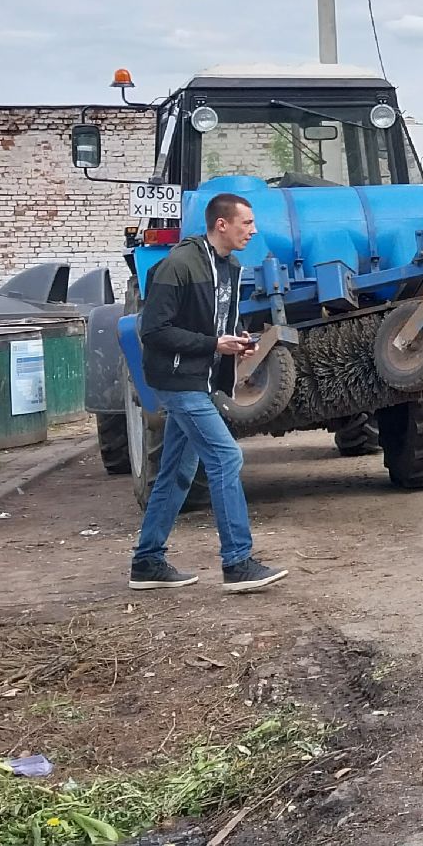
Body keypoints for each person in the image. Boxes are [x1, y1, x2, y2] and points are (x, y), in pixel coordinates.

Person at [130, 192, 289, 594]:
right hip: (177, 380)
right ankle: (237, 563)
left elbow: (216, 323)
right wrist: (211, 345)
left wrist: (236, 341)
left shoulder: (230, 266)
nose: (252, 231)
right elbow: (152, 331)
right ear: (222, 224)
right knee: (225, 456)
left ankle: (147, 562)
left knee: (177, 472)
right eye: (246, 223)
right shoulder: (178, 266)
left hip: (200, 379)